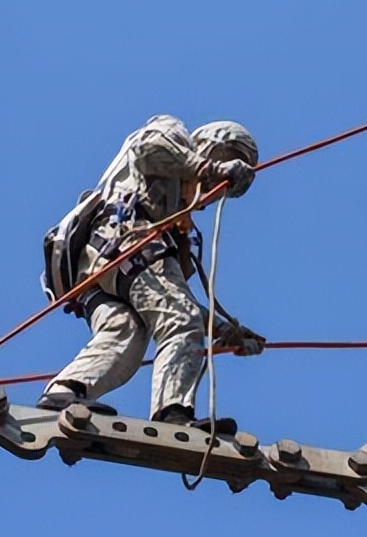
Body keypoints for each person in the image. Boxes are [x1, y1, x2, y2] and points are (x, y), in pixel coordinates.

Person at [37, 116, 265, 432]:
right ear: (211, 144)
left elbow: (164, 299)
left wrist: (223, 329)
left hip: (103, 266)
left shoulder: (176, 220)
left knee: (126, 330)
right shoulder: (173, 134)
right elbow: (147, 147)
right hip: (126, 242)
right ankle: (173, 413)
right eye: (230, 159)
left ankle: (65, 392)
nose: (219, 190)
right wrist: (206, 167)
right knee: (181, 320)